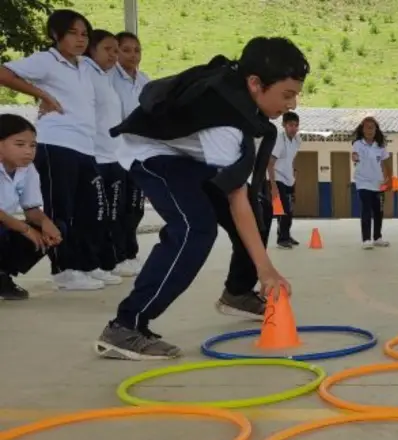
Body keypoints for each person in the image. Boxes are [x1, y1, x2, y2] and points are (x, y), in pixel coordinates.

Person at [94, 36, 309, 360]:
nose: (292, 104)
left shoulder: (242, 100)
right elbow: (236, 199)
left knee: (258, 207)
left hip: (192, 156)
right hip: (151, 152)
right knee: (195, 227)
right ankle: (126, 326)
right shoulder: (226, 122)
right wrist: (267, 269)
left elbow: (242, 197)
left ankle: (237, 292)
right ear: (255, 83)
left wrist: (262, 267)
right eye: (287, 95)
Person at [0, 9, 113, 290]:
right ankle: (64, 269)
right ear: (55, 35)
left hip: (85, 146)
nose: (80, 39)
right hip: (57, 143)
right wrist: (42, 94)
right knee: (61, 208)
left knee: (89, 209)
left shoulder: (85, 66)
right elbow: (3, 72)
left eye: (84, 34)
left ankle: (85, 264)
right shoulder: (46, 61)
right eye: (72, 33)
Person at [0, 114, 62, 299]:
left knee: (53, 229)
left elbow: (32, 210)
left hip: (6, 225)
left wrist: (46, 223)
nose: (28, 151)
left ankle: (3, 276)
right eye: (19, 144)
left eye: (32, 145)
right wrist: (25, 229)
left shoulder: (28, 169)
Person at [84, 30, 126, 280]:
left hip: (114, 156)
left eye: (115, 49)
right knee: (96, 214)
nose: (114, 55)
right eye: (108, 49)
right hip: (95, 155)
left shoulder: (105, 76)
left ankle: (106, 261)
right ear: (92, 49)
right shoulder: (85, 72)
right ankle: (91, 263)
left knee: (112, 214)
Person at [110, 31, 151, 277]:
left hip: (138, 152)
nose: (132, 55)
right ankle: (114, 256)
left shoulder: (144, 80)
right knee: (117, 205)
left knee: (135, 207)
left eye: (137, 50)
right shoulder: (109, 78)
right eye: (126, 50)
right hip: (114, 150)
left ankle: (130, 253)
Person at [351, 116, 391, 249]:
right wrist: (355, 158)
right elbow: (355, 156)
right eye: (367, 127)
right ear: (362, 129)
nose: (369, 130)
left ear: (376, 130)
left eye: (372, 127)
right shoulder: (357, 144)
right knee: (366, 210)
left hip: (378, 183)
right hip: (363, 182)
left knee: (378, 211)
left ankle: (377, 237)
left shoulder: (380, 146)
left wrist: (388, 178)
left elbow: (386, 162)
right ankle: (366, 239)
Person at [268, 111, 301, 249]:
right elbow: (270, 163)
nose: (293, 128)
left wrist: (294, 177)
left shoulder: (298, 140)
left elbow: (291, 159)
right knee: (284, 209)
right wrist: (273, 185)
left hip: (289, 179)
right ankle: (282, 239)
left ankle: (286, 234)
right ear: (284, 125)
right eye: (290, 125)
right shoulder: (279, 141)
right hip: (277, 177)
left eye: (296, 125)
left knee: (290, 210)